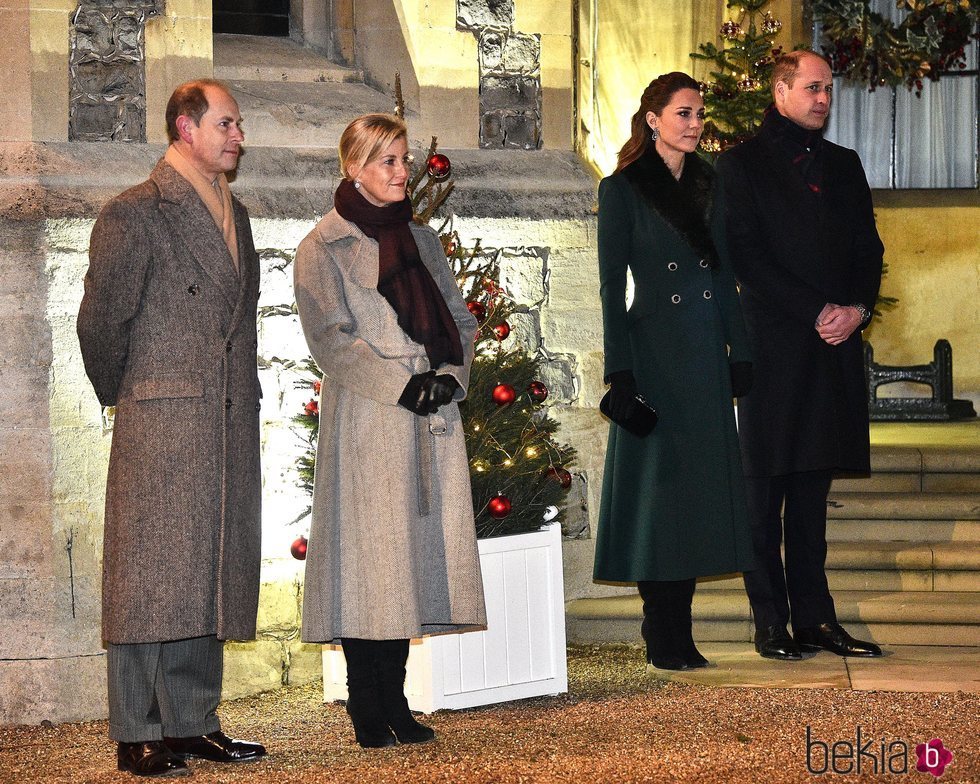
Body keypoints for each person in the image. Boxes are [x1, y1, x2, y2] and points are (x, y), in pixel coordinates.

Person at [77, 79, 266, 777]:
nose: (238, 134)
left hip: (224, 418)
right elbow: (100, 323)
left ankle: (191, 722)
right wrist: (131, 395)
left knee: (207, 570)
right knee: (148, 578)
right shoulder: (136, 212)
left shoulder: (236, 213)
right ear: (186, 127)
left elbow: (238, 326)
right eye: (226, 123)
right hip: (162, 417)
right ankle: (136, 730)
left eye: (239, 124)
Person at [294, 113, 486, 748]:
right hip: (371, 420)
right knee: (369, 563)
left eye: (404, 159)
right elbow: (331, 340)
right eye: (388, 162)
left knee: (407, 559)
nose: (403, 171)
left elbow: (459, 316)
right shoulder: (323, 246)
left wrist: (452, 375)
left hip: (430, 417)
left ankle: (398, 702)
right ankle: (365, 705)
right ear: (355, 168)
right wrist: (402, 385)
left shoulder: (421, 240)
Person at [715, 51, 885, 661]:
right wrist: (816, 309)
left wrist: (856, 309)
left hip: (834, 349)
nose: (822, 99)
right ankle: (770, 622)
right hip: (775, 348)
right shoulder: (739, 165)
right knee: (764, 492)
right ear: (780, 88)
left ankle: (817, 618)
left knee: (812, 493)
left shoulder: (845, 165)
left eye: (828, 90)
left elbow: (869, 248)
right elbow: (746, 254)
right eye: (812, 88)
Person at [594, 72, 755, 671]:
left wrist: (741, 352)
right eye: (683, 113)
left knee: (695, 495)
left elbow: (724, 275)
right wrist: (621, 370)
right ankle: (662, 631)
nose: (694, 123)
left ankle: (680, 631)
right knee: (660, 496)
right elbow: (613, 287)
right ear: (653, 118)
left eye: (699, 113)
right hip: (656, 353)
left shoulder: (711, 183)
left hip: (704, 354)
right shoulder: (623, 189)